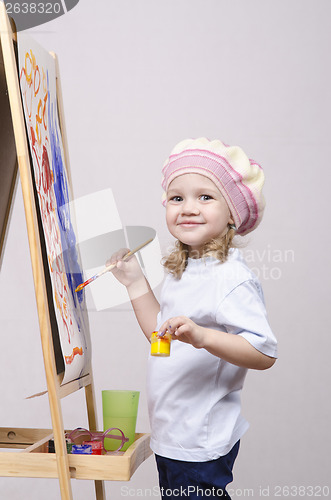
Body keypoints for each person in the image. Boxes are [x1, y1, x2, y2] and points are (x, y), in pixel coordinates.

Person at [107, 138, 278, 499]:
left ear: (232, 213)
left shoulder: (230, 276)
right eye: (177, 197)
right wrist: (135, 281)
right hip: (172, 434)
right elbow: (161, 335)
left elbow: (263, 353)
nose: (188, 208)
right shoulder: (183, 268)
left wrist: (202, 337)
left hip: (200, 438)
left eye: (205, 197)